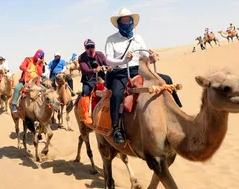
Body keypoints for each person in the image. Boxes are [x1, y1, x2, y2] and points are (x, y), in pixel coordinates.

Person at [105, 8, 182, 144]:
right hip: (121, 71)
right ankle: (116, 128)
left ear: (131, 21)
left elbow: (146, 55)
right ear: (119, 22)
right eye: (123, 19)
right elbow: (108, 60)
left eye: (128, 19)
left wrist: (151, 55)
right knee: (116, 94)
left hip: (140, 70)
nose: (126, 21)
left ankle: (178, 112)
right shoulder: (111, 40)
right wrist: (123, 61)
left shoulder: (138, 38)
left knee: (167, 80)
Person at [78, 39, 107, 125]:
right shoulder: (81, 57)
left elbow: (106, 62)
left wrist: (107, 66)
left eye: (92, 46)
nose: (90, 49)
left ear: (94, 46)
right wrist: (95, 70)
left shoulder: (100, 55)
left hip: (101, 77)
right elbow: (86, 70)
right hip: (89, 79)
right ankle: (86, 115)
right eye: (88, 47)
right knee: (85, 92)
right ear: (85, 48)